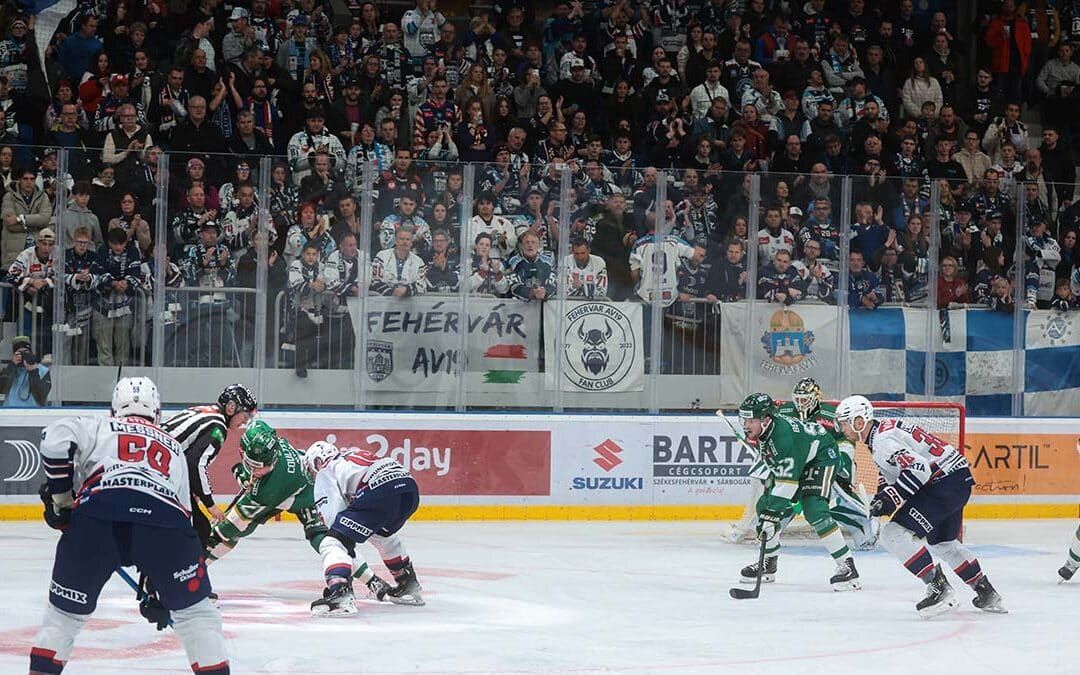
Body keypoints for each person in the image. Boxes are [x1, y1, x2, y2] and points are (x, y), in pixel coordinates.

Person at [30, 377, 229, 674]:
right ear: (157, 411)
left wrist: (63, 500)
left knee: (63, 619)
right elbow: (183, 517)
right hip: (165, 522)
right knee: (197, 617)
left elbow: (54, 440)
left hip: (98, 516)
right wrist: (159, 587)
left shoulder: (98, 426)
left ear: (114, 408)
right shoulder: (173, 447)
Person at [835, 395, 1007, 616]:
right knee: (942, 544)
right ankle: (986, 592)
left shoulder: (882, 440)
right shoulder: (881, 433)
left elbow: (919, 469)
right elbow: (892, 471)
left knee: (893, 534)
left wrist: (890, 500)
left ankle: (938, 588)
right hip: (957, 479)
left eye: (844, 422)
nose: (842, 428)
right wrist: (881, 498)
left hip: (944, 483)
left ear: (859, 422)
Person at [205, 421, 398, 601]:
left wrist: (214, 534)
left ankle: (370, 581)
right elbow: (256, 429)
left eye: (259, 468)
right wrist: (243, 472)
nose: (255, 471)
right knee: (235, 532)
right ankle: (374, 582)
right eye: (251, 465)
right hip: (295, 484)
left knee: (326, 541)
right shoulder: (261, 434)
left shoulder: (269, 489)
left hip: (307, 495)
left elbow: (233, 524)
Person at [734, 393, 861, 591]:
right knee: (763, 505)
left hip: (821, 456)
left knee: (814, 509)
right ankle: (769, 564)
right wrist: (769, 511)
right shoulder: (763, 433)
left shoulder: (781, 437)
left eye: (751, 420)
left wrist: (772, 515)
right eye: (744, 419)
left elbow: (789, 484)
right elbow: (780, 475)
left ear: (766, 420)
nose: (745, 425)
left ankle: (847, 566)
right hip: (800, 458)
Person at [302, 440, 424, 615]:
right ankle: (408, 585)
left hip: (379, 491)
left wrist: (344, 546)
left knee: (332, 543)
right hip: (408, 487)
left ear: (318, 461)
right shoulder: (352, 454)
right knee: (382, 536)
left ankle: (340, 593)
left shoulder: (325, 471)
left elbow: (335, 521)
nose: (313, 474)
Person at [774, 378, 879, 550]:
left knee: (835, 499)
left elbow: (845, 442)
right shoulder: (784, 412)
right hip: (800, 463)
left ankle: (862, 527)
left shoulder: (831, 414)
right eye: (798, 399)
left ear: (815, 398)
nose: (800, 404)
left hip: (828, 459)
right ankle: (772, 532)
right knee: (784, 494)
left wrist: (840, 464)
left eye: (805, 399)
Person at [160, 384, 259, 548]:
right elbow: (195, 464)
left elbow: (184, 457)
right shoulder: (217, 426)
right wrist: (210, 504)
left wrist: (191, 490)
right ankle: (177, 572)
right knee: (200, 530)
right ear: (231, 407)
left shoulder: (202, 410)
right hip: (161, 479)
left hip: (154, 471)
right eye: (245, 414)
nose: (245, 421)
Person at [0, 334, 50, 407]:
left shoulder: (43, 370)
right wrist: (12, 366)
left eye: (26, 352)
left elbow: (42, 395)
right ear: (14, 354)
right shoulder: (9, 369)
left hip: (34, 414)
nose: (23, 355)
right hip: (11, 412)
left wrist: (33, 371)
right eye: (20, 353)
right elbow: (1, 389)